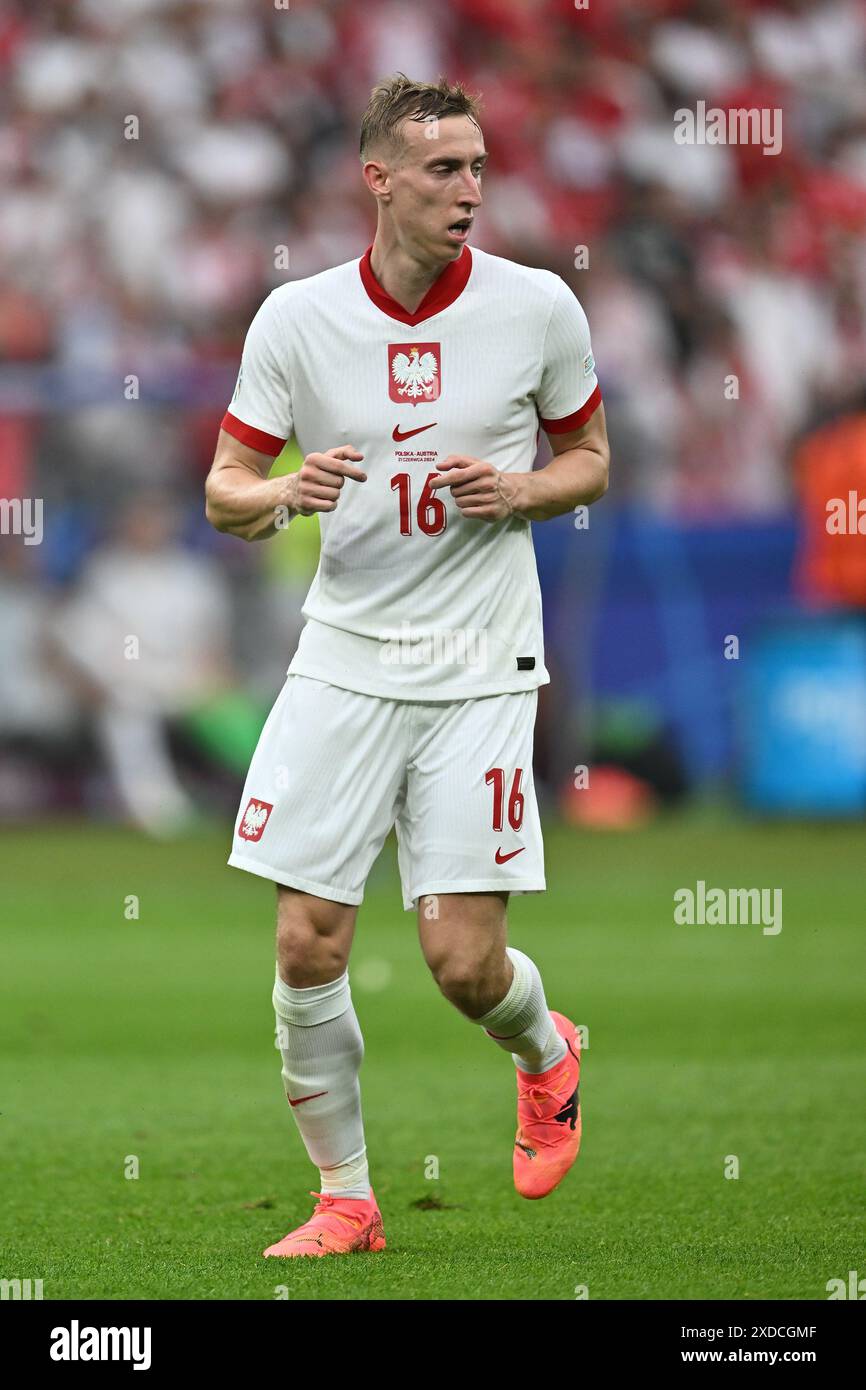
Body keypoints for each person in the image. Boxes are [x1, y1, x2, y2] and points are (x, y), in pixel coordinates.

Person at [205, 74, 609, 1258]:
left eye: (479, 167)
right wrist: (283, 493)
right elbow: (225, 490)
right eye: (443, 169)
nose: (469, 190)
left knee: (459, 963)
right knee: (304, 939)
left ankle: (548, 1050)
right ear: (376, 178)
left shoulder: (536, 307)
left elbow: (587, 454)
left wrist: (523, 489)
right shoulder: (297, 319)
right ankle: (347, 1200)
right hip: (341, 658)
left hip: (481, 664)